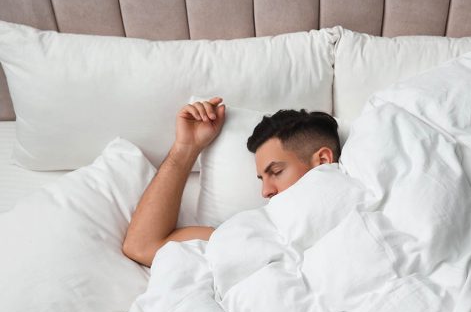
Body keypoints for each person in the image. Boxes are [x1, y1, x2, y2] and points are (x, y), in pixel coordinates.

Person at [122, 97, 342, 267]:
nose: (265, 192)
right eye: (261, 179)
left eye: (276, 171)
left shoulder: (366, 207)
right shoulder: (254, 232)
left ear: (323, 160)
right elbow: (142, 246)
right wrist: (186, 148)